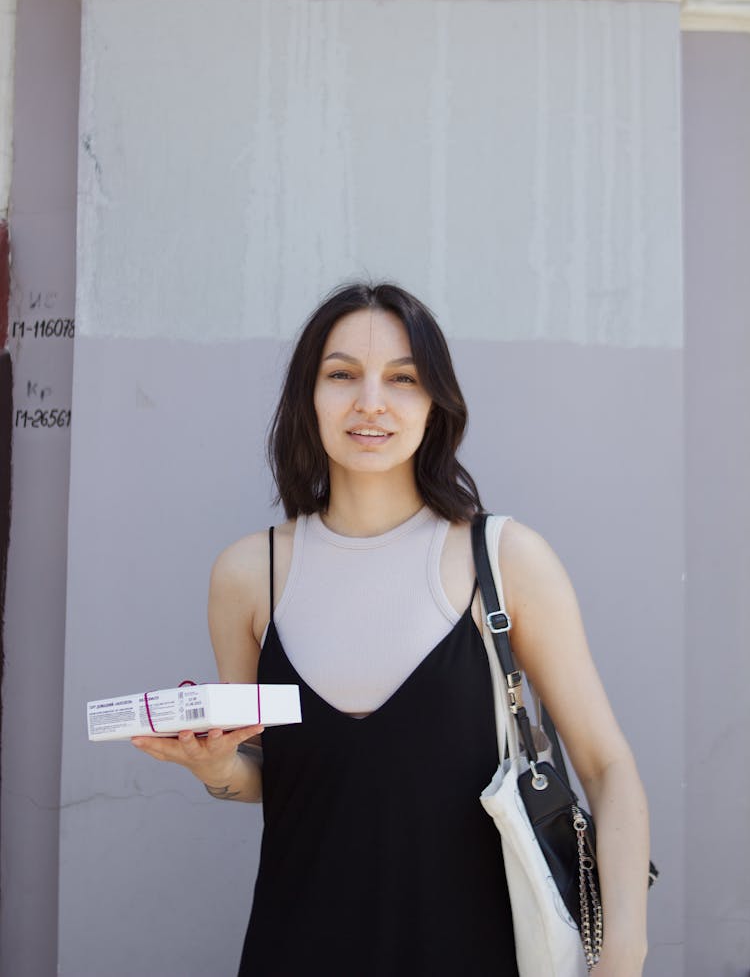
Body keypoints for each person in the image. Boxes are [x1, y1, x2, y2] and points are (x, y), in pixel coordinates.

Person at [132, 282, 650, 976]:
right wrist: (215, 766)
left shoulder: (503, 560)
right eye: (342, 373)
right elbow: (267, 772)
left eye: (402, 379)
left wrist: (624, 954)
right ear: (307, 396)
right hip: (297, 947)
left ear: (435, 401)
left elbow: (609, 768)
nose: (370, 401)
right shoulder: (246, 575)